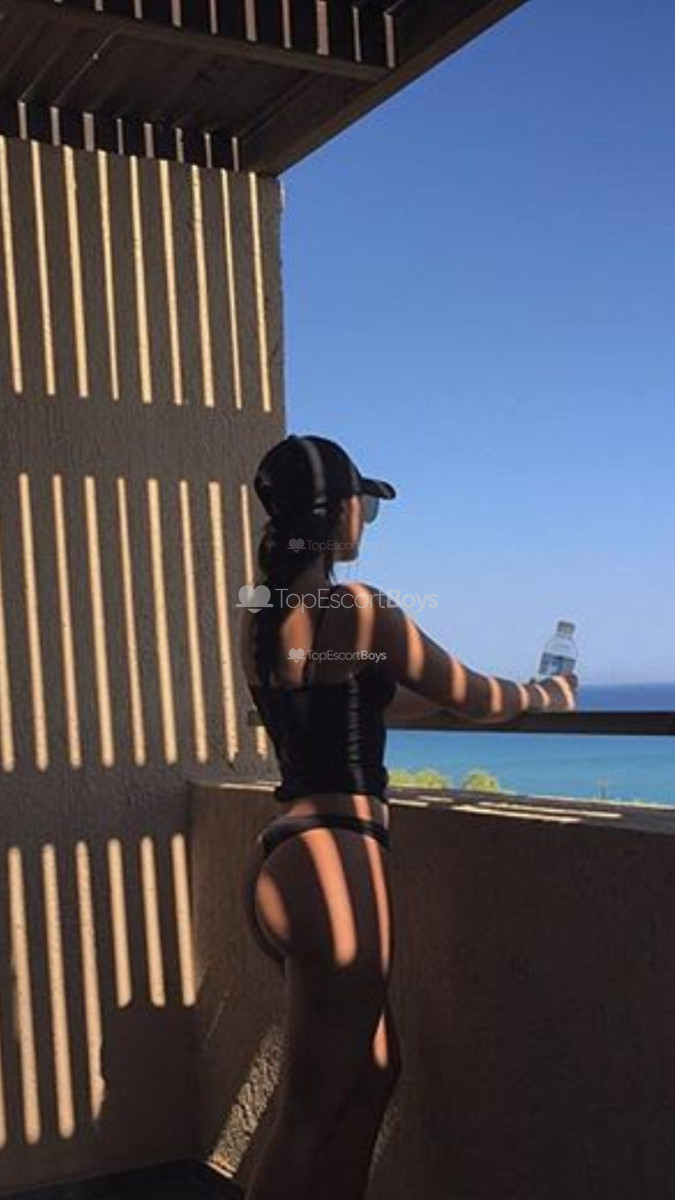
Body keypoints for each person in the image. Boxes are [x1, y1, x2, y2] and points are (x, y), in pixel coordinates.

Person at [238, 434, 577, 1200]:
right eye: (365, 504)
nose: (365, 519)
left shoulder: (262, 616)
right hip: (335, 866)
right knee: (306, 1116)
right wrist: (547, 695)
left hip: (284, 852)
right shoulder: (359, 609)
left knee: (372, 1077)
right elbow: (476, 696)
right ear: (341, 512)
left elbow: (361, 695)